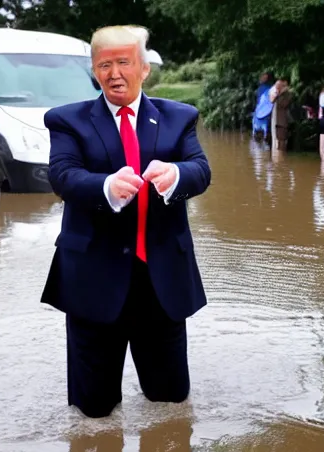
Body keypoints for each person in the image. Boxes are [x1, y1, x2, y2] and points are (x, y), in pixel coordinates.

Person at [41, 25, 211, 419]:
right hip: (93, 278)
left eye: (123, 62)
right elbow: (63, 175)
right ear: (94, 70)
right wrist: (105, 186)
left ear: (144, 68)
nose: (114, 73)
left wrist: (176, 176)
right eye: (105, 64)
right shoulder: (68, 121)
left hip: (161, 278)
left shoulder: (179, 117)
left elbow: (200, 169)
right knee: (93, 414)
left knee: (170, 406)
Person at [269, 78, 292, 151]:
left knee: (282, 142)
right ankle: (279, 158)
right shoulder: (277, 94)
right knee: (277, 142)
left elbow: (283, 105)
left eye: (278, 86)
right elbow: (271, 100)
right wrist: (277, 94)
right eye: (276, 86)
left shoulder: (287, 94)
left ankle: (281, 158)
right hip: (277, 122)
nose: (277, 88)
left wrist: (280, 94)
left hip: (283, 122)